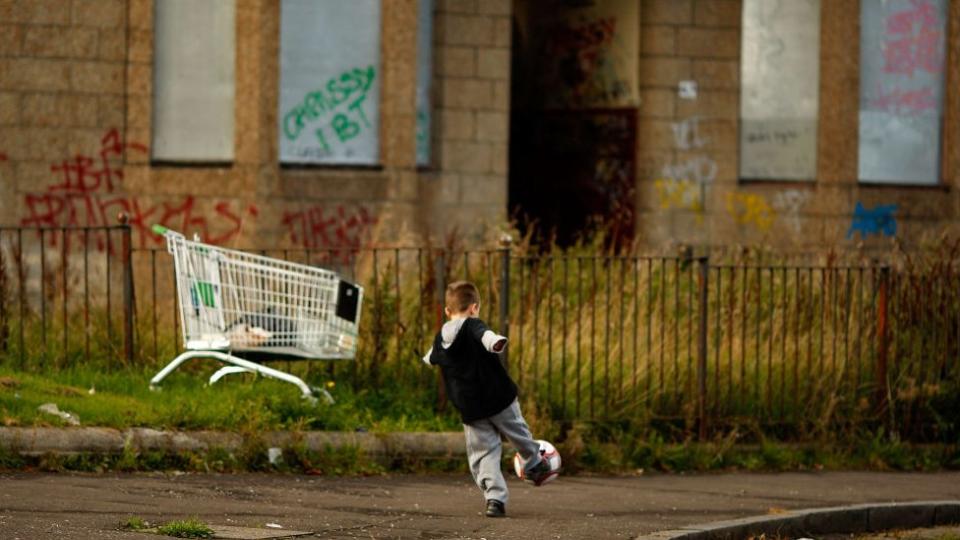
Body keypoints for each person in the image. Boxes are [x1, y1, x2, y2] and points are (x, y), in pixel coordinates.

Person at [422, 281, 551, 518]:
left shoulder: (440, 336)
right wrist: (496, 342)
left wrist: (428, 359)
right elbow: (486, 336)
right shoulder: (474, 325)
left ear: (447, 311)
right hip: (498, 397)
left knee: (484, 453)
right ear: (474, 308)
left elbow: (432, 357)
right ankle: (534, 462)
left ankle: (495, 500)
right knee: (518, 431)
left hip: (470, 407)